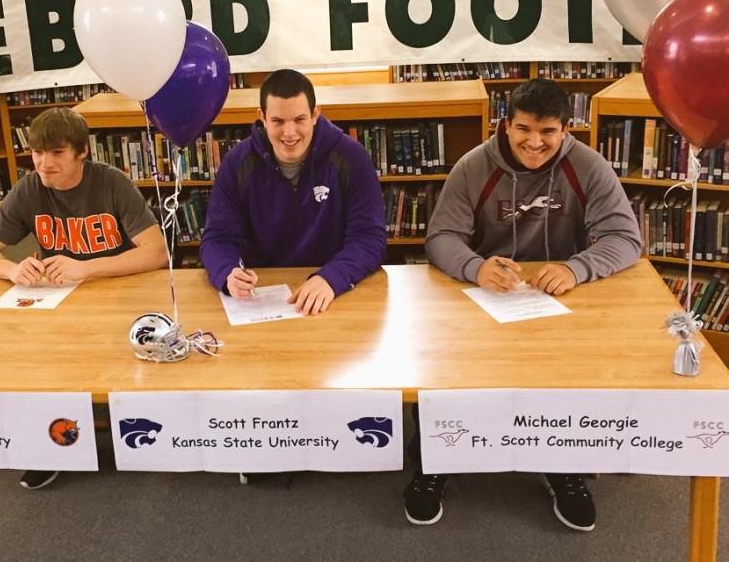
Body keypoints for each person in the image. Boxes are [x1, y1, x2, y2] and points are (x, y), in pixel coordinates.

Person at [407, 78, 642, 531]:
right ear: (505, 124)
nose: (535, 142)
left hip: (555, 298)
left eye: (548, 132)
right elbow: (440, 237)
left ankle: (566, 467)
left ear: (565, 129)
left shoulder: (587, 165)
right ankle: (431, 464)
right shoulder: (474, 166)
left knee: (569, 377)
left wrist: (578, 267)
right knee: (439, 370)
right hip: (481, 296)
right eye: (524, 129)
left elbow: (626, 238)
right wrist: (474, 266)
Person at [0, 106, 168, 490]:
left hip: (115, 295)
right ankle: (52, 447)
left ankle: (142, 438)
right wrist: (11, 269)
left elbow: (156, 253)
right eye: (37, 152)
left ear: (81, 153)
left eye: (56, 153)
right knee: (37, 361)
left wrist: (86, 267)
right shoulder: (29, 188)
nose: (44, 163)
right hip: (58, 303)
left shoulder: (112, 182)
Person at [201, 68, 387, 315]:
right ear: (262, 117)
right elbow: (217, 239)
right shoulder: (237, 163)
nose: (289, 133)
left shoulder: (352, 158)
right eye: (278, 121)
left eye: (299, 119)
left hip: (332, 292)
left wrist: (332, 278)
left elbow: (369, 238)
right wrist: (227, 273)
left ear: (314, 115)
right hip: (260, 299)